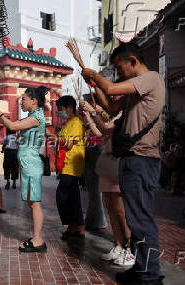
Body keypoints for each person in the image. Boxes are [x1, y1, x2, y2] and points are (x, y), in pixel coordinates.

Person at [82, 43, 165, 285]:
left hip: (142, 159)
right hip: (132, 158)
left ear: (132, 61)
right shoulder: (134, 92)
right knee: (135, 219)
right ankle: (141, 269)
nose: (118, 73)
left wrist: (96, 75)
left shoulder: (150, 78)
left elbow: (112, 87)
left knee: (141, 219)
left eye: (119, 68)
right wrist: (95, 85)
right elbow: (110, 106)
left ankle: (151, 276)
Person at [0, 86, 49, 253]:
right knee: (31, 202)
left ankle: (37, 240)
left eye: (23, 99)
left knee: (35, 203)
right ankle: (36, 237)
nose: (21, 102)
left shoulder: (36, 117)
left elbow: (13, 126)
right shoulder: (32, 116)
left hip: (32, 164)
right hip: (28, 164)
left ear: (33, 101)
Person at [80, 100, 135, 267]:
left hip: (118, 164)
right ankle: (118, 245)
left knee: (120, 210)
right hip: (107, 165)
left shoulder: (126, 114)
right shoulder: (113, 116)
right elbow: (99, 132)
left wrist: (94, 113)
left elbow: (106, 129)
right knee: (110, 208)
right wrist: (89, 116)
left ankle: (130, 248)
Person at [55, 95, 86, 240]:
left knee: (64, 195)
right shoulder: (67, 123)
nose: (59, 112)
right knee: (71, 196)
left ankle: (76, 226)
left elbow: (68, 144)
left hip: (73, 163)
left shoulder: (76, 123)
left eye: (60, 109)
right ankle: (75, 227)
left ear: (69, 108)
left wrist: (52, 136)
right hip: (65, 164)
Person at [80, 94, 108, 231]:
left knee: (96, 188)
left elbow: (101, 130)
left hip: (98, 148)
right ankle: (94, 218)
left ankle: (98, 220)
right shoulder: (92, 111)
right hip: (90, 147)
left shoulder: (100, 110)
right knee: (92, 188)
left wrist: (91, 114)